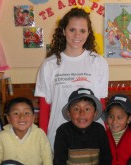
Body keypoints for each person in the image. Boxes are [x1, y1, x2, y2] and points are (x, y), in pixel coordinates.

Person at [34, 7, 109, 148]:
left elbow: (101, 104)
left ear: (88, 33)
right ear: (63, 31)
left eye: (82, 31)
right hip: (58, 137)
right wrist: (43, 139)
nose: (77, 36)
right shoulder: (49, 64)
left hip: (92, 136)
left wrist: (104, 134)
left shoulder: (98, 62)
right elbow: (44, 107)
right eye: (72, 30)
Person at [53, 88, 112, 165]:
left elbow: (106, 159)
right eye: (76, 109)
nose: (82, 113)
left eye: (87, 109)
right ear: (69, 113)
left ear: (95, 113)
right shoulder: (63, 131)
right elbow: (59, 162)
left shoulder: (99, 130)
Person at [0, 97, 53, 165]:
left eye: (27, 113)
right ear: (8, 118)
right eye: (16, 113)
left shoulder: (39, 134)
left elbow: (47, 161)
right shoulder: (1, 137)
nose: (21, 117)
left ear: (33, 117)